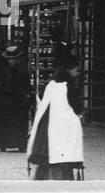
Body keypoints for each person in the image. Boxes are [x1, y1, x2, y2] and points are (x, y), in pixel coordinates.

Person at [28, 48, 85, 181]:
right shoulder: (70, 87)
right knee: (61, 157)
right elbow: (77, 107)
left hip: (46, 129)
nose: (77, 74)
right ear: (68, 71)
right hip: (63, 130)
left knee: (49, 157)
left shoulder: (51, 84)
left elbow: (41, 98)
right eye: (76, 71)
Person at [0, 43, 30, 151]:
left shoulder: (23, 69)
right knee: (6, 122)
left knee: (18, 123)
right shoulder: (3, 69)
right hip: (6, 99)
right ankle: (4, 143)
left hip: (18, 99)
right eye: (9, 59)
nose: (10, 61)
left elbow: (25, 85)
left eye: (13, 59)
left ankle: (20, 143)